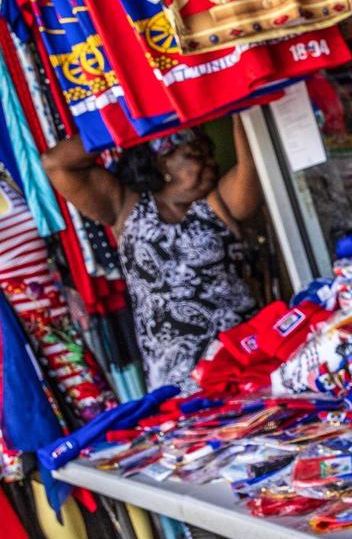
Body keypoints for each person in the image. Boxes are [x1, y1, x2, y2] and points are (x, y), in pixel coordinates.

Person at [43, 118, 261, 392]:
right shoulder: (126, 209)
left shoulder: (216, 205)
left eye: (208, 154)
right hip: (173, 378)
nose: (209, 162)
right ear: (162, 162)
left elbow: (253, 163)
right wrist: (136, 119)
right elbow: (57, 163)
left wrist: (241, 114)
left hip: (241, 360)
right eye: (194, 155)